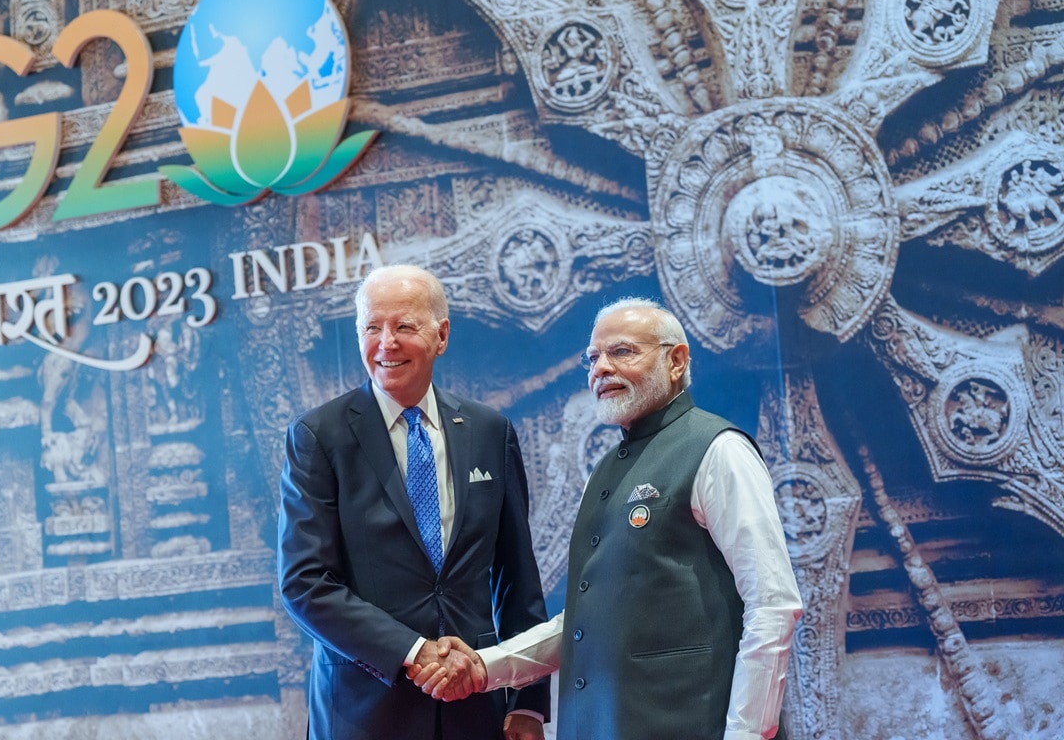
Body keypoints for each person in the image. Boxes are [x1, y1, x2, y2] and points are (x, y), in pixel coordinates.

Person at [411, 297, 803, 740]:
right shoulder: (605, 471)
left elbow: (773, 605)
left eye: (622, 352)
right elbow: (583, 622)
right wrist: (486, 666)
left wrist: (748, 734)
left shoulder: (719, 450)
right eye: (592, 358)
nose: (600, 368)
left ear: (676, 361)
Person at [278, 264, 551, 740]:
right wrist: (413, 650)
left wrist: (529, 702)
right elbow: (305, 583)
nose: (387, 343)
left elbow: (517, 578)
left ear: (441, 335)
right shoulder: (319, 436)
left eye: (404, 326)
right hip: (364, 712)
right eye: (372, 327)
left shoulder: (491, 432)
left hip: (476, 710)